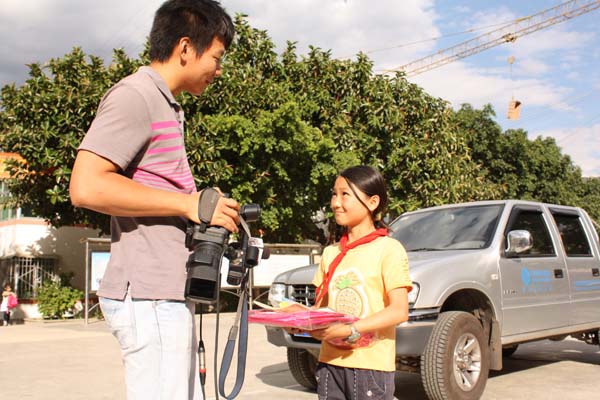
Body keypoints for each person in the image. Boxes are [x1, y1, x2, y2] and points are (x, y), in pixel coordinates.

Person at [69, 1, 238, 399]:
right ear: (185, 47)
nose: (218, 69)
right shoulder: (136, 96)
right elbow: (86, 187)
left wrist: (201, 211)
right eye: (216, 57)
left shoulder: (166, 104)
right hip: (148, 296)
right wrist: (186, 204)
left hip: (164, 292)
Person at [309, 165, 412, 400]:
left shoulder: (389, 250)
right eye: (334, 194)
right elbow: (321, 310)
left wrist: (352, 329)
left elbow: (399, 310)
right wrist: (305, 324)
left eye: (345, 194)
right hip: (329, 364)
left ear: (373, 202)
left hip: (370, 368)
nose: (336, 202)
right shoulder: (331, 253)